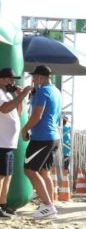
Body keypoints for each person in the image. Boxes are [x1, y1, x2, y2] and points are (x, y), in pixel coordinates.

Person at [21, 65, 61, 219]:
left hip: (42, 137)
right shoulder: (56, 91)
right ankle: (49, 204)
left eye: (34, 76)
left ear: (41, 77)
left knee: (30, 170)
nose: (32, 79)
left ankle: (48, 206)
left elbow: (37, 116)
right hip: (53, 137)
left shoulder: (43, 91)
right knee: (44, 172)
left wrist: (24, 129)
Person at [0, 68, 32, 218]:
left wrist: (21, 97)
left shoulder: (7, 94)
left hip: (8, 143)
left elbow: (17, 113)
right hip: (1, 142)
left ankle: (3, 205)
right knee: (1, 176)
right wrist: (23, 94)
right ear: (2, 79)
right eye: (10, 79)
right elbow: (5, 109)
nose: (13, 82)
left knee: (7, 176)